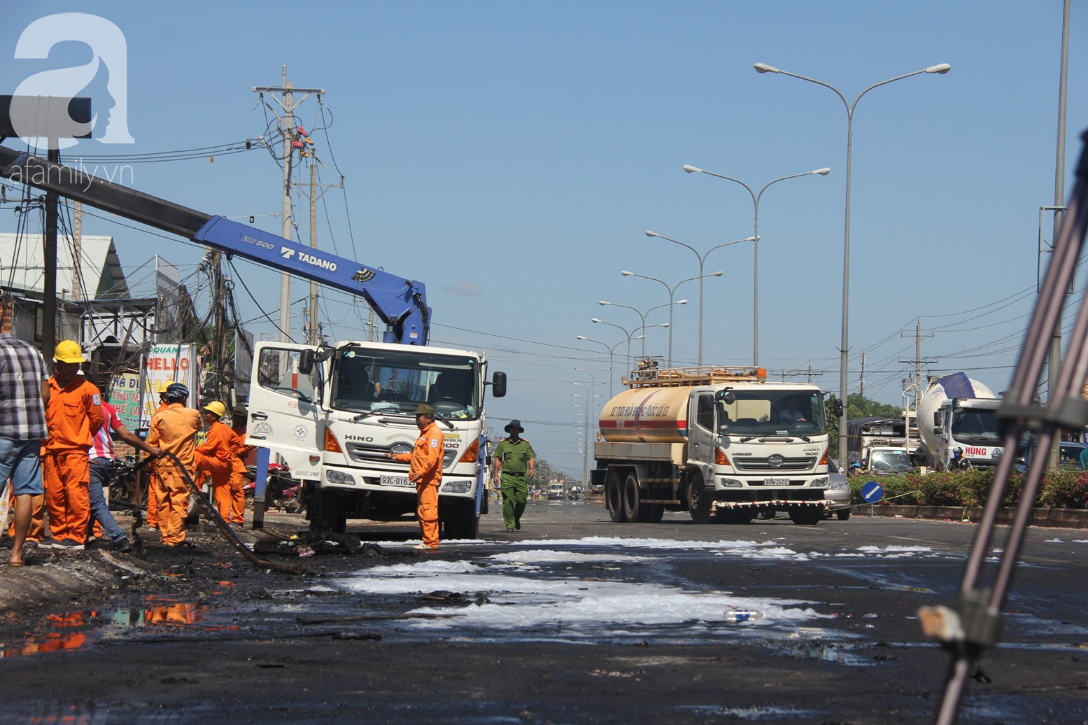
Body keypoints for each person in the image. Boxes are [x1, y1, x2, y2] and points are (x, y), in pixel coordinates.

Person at [42, 341, 105, 551]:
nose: (72, 368)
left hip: (75, 451)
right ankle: (60, 535)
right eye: (68, 364)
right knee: (54, 494)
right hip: (51, 450)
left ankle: (77, 536)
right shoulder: (47, 387)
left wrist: (80, 436)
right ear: (57, 364)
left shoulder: (88, 390)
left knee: (76, 493)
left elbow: (97, 420)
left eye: (75, 364)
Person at [86, 390, 161, 552]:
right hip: (107, 461)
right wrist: (149, 448)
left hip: (89, 459)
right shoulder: (107, 408)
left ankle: (119, 538)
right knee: (92, 500)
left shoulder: (79, 406)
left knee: (96, 502)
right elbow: (126, 434)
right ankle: (87, 534)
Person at [0, 333, 50, 566]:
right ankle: (17, 554)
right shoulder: (33, 351)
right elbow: (45, 394)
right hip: (32, 434)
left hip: (3, 433)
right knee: (25, 493)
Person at [146, 383, 200, 548]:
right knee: (178, 502)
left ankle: (165, 536)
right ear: (184, 398)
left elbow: (151, 444)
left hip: (162, 466)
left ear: (167, 398)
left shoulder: (159, 417)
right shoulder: (193, 415)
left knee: (163, 501)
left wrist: (149, 464)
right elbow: (197, 429)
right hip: (183, 467)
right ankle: (175, 538)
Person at [385, 403, 444, 550]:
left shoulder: (434, 434)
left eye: (419, 416)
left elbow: (432, 458)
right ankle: (429, 540)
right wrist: (396, 457)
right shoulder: (425, 433)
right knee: (423, 510)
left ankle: (430, 542)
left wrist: (421, 472)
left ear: (428, 418)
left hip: (428, 479)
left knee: (428, 510)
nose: (416, 419)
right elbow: (415, 456)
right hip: (423, 479)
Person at [194, 401, 235, 524]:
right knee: (223, 491)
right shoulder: (226, 428)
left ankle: (189, 482)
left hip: (218, 462)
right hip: (225, 464)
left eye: (207, 413)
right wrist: (230, 453)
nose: (205, 415)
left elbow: (208, 447)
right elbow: (237, 442)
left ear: (214, 415)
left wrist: (193, 450)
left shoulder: (216, 429)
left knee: (194, 455)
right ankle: (224, 520)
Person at [493, 419, 536, 532]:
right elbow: (498, 459)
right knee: (508, 501)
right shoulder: (503, 443)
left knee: (522, 501)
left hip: (521, 477)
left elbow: (531, 457)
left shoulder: (525, 444)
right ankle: (510, 524)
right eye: (512, 428)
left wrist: (531, 468)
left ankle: (515, 518)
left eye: (516, 429)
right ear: (509, 430)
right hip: (507, 476)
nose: (514, 430)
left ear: (519, 431)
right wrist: (495, 475)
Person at [146, 379, 173, 532]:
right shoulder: (164, 414)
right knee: (162, 490)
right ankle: (157, 521)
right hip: (163, 458)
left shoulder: (161, 413)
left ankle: (154, 521)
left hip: (160, 457)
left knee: (157, 489)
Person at [228, 406, 254, 527]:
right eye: (235, 416)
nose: (236, 419)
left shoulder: (244, 435)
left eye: (239, 417)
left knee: (237, 492)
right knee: (225, 493)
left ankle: (238, 520)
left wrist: (239, 451)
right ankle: (225, 517)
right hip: (225, 466)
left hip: (236, 467)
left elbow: (251, 444)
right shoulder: (228, 431)